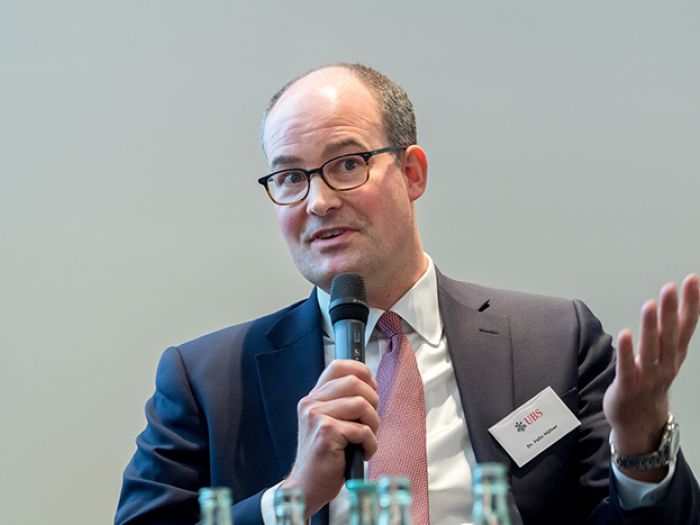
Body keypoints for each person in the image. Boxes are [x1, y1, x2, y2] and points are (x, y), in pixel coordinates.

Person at [115, 63, 700, 525]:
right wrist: (291, 496)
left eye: (347, 164)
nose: (318, 201)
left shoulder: (555, 343)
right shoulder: (207, 380)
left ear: (412, 172)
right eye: (291, 177)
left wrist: (641, 446)